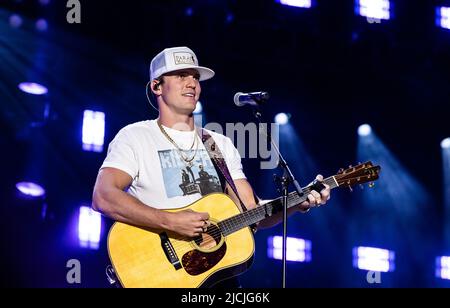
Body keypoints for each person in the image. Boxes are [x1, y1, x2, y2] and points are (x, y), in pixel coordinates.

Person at [92, 46, 331, 287]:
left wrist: (297, 202)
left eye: (195, 77)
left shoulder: (218, 144)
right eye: (181, 75)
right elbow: (103, 197)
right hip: (157, 273)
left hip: (216, 281)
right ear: (156, 86)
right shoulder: (135, 136)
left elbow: (252, 212)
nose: (192, 83)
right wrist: (169, 221)